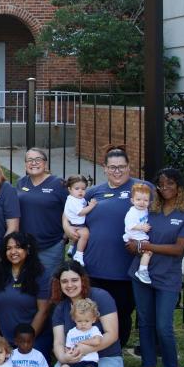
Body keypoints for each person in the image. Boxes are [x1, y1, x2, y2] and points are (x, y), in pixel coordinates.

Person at [67, 145, 150, 352]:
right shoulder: (94, 192)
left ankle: (116, 355)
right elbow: (72, 215)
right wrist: (68, 229)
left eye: (121, 167)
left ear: (129, 167)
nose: (117, 171)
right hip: (94, 267)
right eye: (112, 167)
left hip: (125, 268)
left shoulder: (141, 189)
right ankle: (96, 353)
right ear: (104, 168)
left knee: (121, 313)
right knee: (94, 314)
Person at [130, 168, 184, 367]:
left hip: (167, 277)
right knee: (145, 324)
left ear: (179, 185)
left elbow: (179, 248)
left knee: (163, 326)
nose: (165, 188)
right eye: (161, 185)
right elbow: (133, 233)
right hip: (141, 274)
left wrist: (146, 247)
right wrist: (133, 243)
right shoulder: (151, 208)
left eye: (170, 184)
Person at [49, 261, 123, 367]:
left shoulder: (101, 296)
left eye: (74, 280)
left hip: (105, 357)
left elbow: (112, 334)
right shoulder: (60, 307)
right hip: (75, 359)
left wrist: (85, 349)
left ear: (82, 279)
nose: (70, 285)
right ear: (59, 284)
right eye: (64, 281)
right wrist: (63, 357)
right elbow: (58, 341)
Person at [0, 231, 53, 356]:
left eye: (18, 247)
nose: (13, 251)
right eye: (9, 248)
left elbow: (43, 311)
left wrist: (25, 342)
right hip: (3, 339)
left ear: (28, 249)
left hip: (33, 340)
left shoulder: (41, 274)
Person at [16, 148, 68, 277]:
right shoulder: (21, 183)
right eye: (30, 160)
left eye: (38, 160)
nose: (34, 163)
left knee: (50, 286)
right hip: (25, 247)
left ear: (45, 163)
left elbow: (70, 210)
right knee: (28, 284)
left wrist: (65, 235)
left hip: (51, 246)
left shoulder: (59, 184)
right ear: (25, 164)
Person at [56, 299, 103, 367]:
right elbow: (68, 348)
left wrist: (82, 343)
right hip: (74, 362)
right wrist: (69, 354)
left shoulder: (94, 330)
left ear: (93, 319)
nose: (83, 324)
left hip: (89, 362)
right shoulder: (72, 332)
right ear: (74, 319)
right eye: (79, 321)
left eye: (86, 321)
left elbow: (97, 341)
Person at [123, 184, 154, 284]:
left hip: (141, 236)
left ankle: (143, 268)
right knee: (148, 250)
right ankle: (142, 270)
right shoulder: (132, 212)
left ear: (149, 202)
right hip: (134, 237)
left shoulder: (145, 210)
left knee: (148, 251)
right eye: (138, 199)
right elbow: (129, 225)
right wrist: (141, 227)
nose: (142, 202)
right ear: (132, 201)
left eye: (145, 200)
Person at [62, 174, 96, 266]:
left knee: (76, 237)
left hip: (73, 223)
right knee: (85, 234)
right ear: (69, 189)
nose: (80, 191)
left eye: (83, 189)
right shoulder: (73, 201)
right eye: (77, 189)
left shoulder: (77, 198)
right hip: (75, 225)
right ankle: (79, 254)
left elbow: (83, 203)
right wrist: (91, 206)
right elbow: (81, 212)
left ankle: (71, 248)